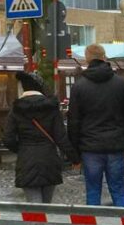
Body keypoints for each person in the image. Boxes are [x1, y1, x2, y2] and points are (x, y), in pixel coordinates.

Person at [67, 43, 124, 206]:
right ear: (104, 57)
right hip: (115, 145)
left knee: (93, 191)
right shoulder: (121, 84)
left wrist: (74, 154)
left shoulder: (79, 87)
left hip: (90, 147)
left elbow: (74, 121)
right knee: (118, 190)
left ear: (87, 59)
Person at [4, 71, 77, 204]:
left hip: (26, 160)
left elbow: (8, 138)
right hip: (49, 158)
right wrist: (75, 158)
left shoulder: (16, 109)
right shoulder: (51, 107)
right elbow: (61, 137)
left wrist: (22, 149)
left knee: (34, 206)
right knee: (46, 205)